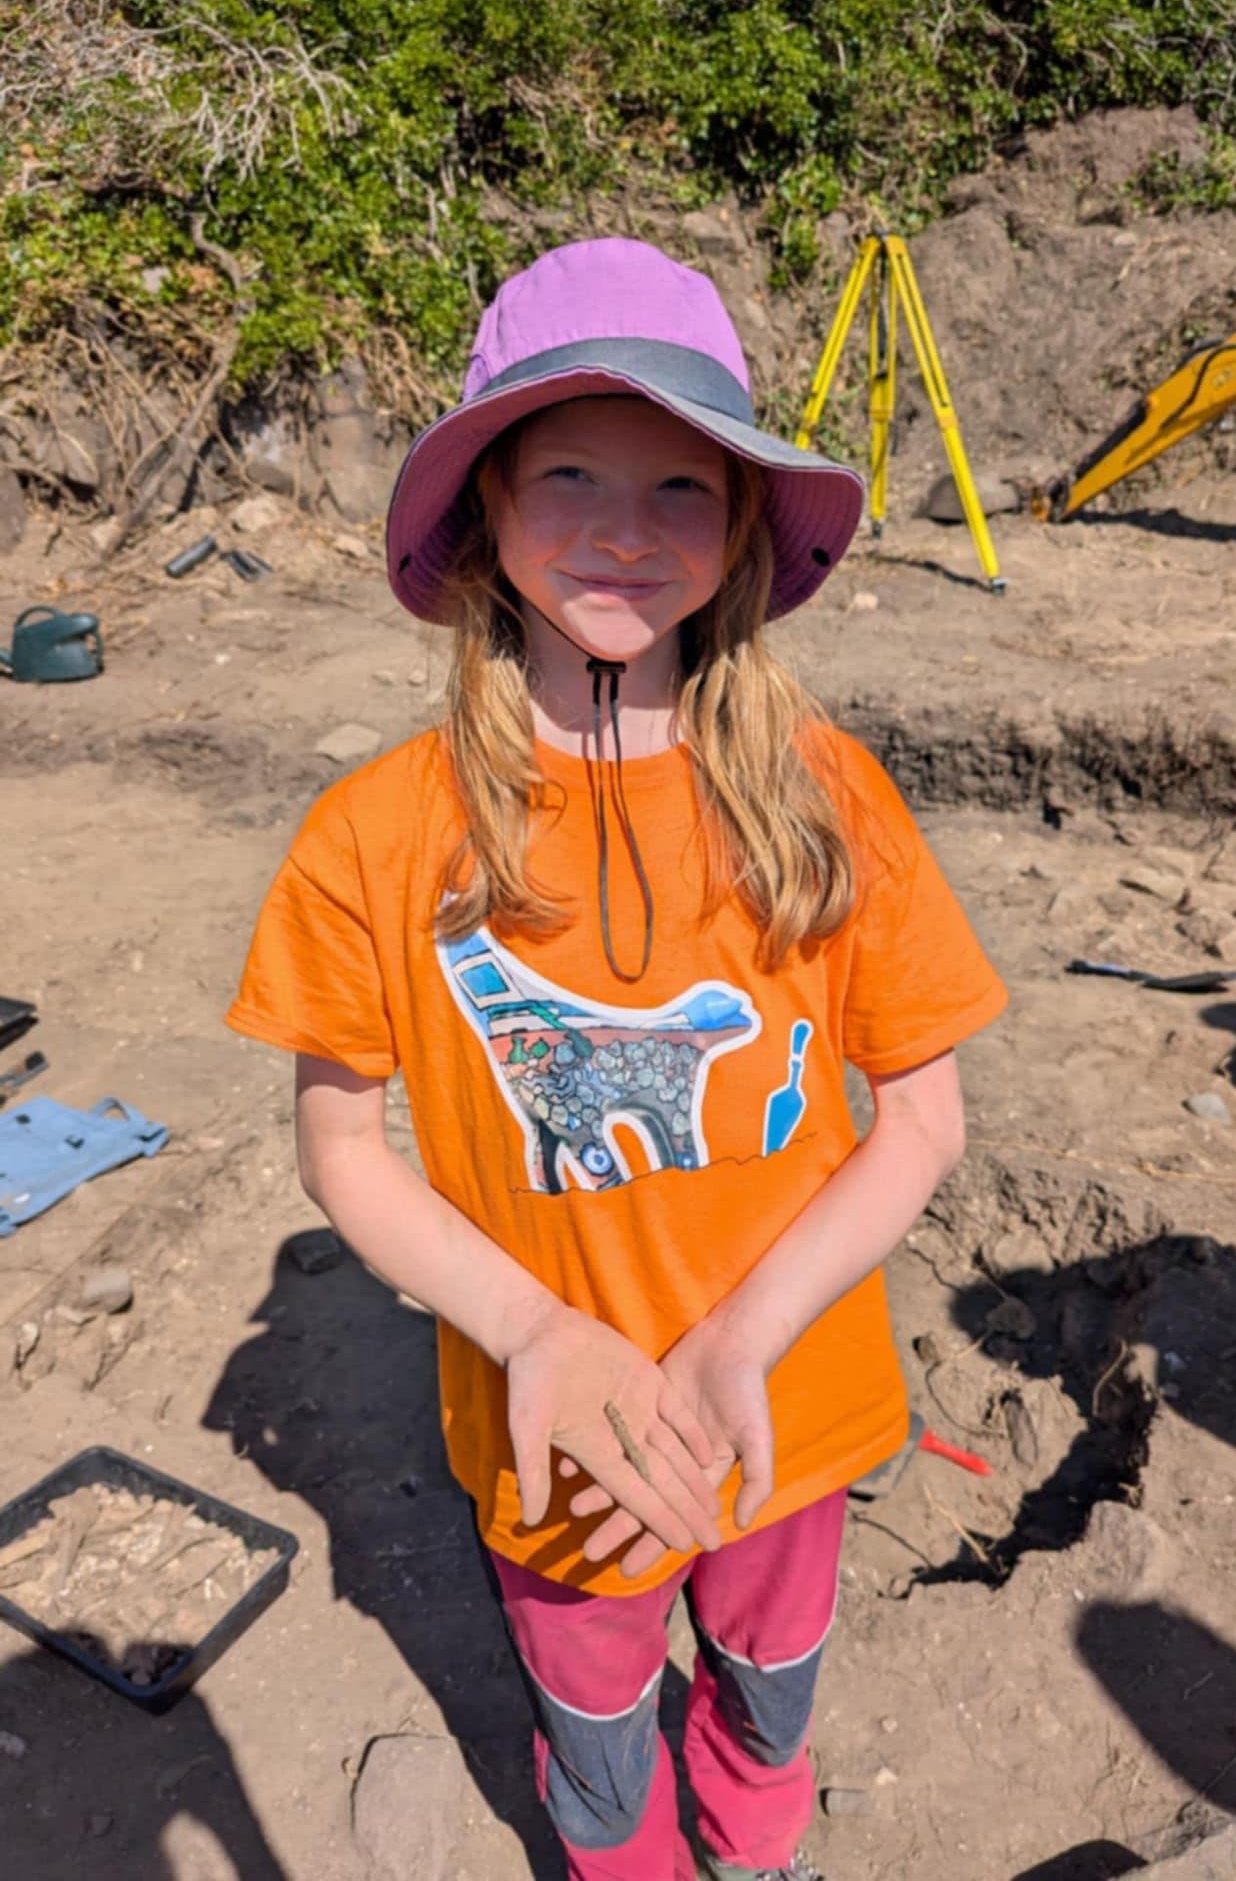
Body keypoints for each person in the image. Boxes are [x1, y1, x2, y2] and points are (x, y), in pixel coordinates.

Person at [225, 238, 1007, 1881]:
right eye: (568, 470)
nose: (620, 529)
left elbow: (920, 1121)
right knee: (592, 1712)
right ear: (486, 511)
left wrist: (746, 1332)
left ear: (735, 533)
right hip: (554, 1432)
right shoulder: (376, 834)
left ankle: (757, 1847)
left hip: (787, 1395)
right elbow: (341, 1149)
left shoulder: (828, 793)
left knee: (771, 1683)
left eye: (679, 487)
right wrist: (531, 1333)